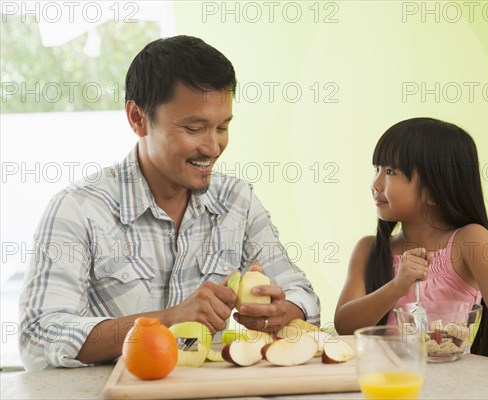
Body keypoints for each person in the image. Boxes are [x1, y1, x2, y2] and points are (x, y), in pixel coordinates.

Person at [19, 35, 320, 371]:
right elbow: (39, 335)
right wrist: (167, 320)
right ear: (137, 118)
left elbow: (302, 295)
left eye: (222, 127)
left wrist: (279, 312)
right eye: (194, 128)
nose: (213, 147)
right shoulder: (78, 210)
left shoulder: (237, 201)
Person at [334, 117, 488, 381]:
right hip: (388, 384)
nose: (376, 183)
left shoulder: (469, 241)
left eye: (390, 171)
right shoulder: (368, 250)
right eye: (377, 168)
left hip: (456, 384)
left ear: (435, 191)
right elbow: (345, 324)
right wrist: (397, 286)